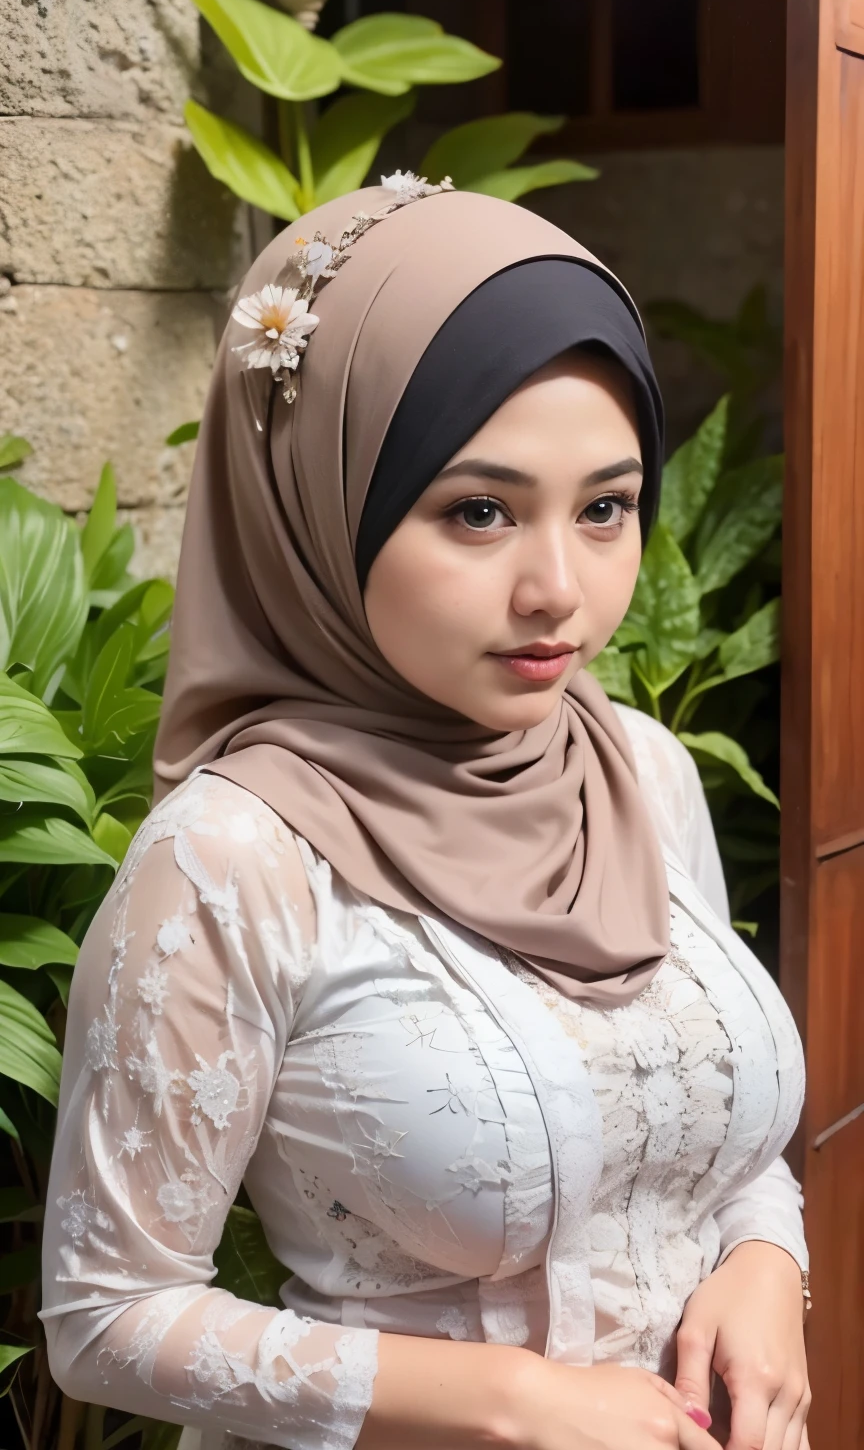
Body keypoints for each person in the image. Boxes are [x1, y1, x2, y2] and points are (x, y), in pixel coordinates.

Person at [40, 176, 811, 1450]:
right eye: (479, 512)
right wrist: (511, 1402)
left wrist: (764, 1267)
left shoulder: (640, 772)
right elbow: (108, 1314)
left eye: (606, 507)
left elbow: (710, 1137)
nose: (558, 590)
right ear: (321, 507)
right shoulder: (234, 859)